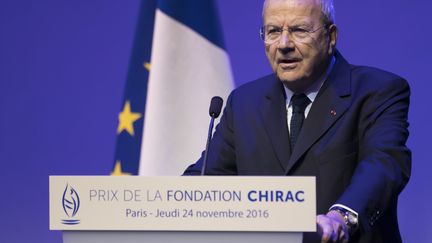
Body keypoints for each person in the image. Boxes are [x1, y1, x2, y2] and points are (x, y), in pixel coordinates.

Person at [183, 0, 411, 242]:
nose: (283, 45)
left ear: (330, 36)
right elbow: (206, 178)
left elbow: (384, 165)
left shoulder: (377, 91)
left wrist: (340, 217)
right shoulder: (244, 103)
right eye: (273, 31)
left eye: (299, 30)